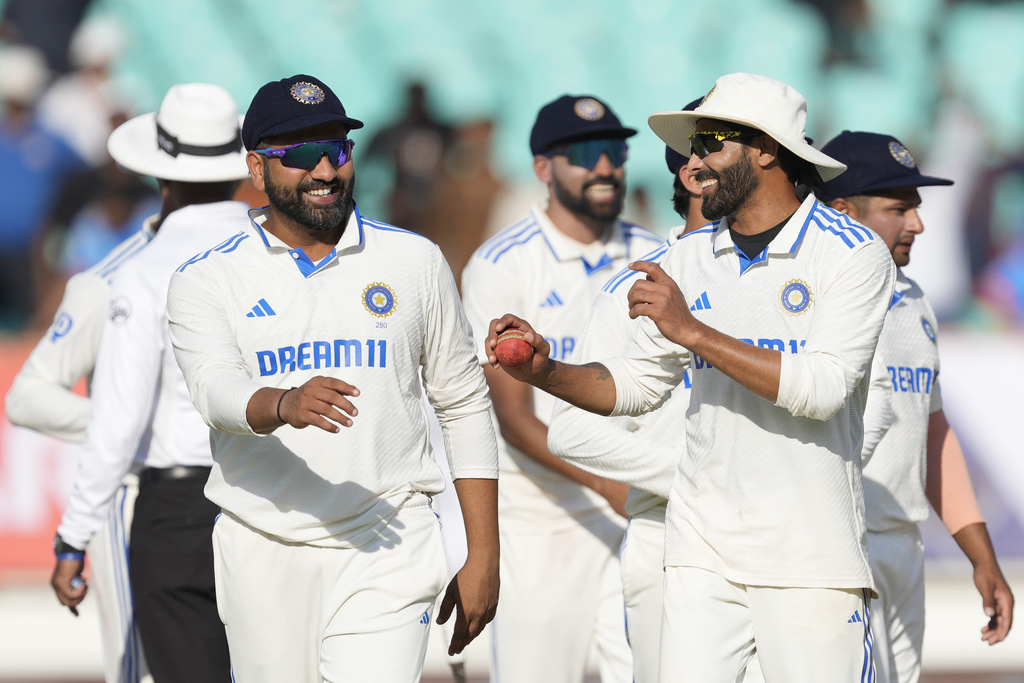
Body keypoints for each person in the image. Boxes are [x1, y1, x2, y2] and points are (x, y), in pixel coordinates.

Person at [484, 72, 897, 683]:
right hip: (701, 551)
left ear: (765, 148)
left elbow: (825, 388)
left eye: (711, 144)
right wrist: (547, 369)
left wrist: (694, 332)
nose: (695, 163)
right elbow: (636, 385)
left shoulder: (852, 252)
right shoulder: (688, 258)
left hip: (809, 554)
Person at [164, 74, 500, 683]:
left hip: (390, 536)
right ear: (256, 169)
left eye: (337, 151)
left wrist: (483, 552)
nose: (324, 170)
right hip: (264, 540)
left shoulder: (414, 261)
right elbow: (214, 391)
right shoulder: (207, 278)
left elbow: (464, 403)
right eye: (299, 155)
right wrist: (283, 402)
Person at [49, 82, 251, 683]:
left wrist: (73, 536)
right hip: (282, 495)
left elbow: (117, 421)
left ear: (160, 177)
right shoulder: (280, 251)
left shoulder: (141, 273)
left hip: (181, 509)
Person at [461, 94, 662, 683]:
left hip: (639, 512)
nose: (605, 167)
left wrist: (634, 486)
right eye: (585, 154)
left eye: (615, 151)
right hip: (543, 521)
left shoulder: (655, 254)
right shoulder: (503, 265)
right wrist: (607, 483)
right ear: (543, 169)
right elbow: (513, 419)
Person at [820, 130, 1015, 682]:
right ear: (842, 212)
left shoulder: (914, 301)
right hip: (837, 553)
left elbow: (931, 431)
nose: (917, 224)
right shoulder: (810, 302)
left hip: (903, 549)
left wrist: (981, 555)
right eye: (898, 208)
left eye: (917, 208)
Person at [544, 98, 712, 683]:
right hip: (668, 539)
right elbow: (569, 428)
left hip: (771, 540)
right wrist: (687, 481)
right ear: (695, 174)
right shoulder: (638, 286)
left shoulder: (788, 277)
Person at [5, 155, 156, 683]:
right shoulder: (107, 274)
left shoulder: (243, 262)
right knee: (143, 666)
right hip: (140, 495)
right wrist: (140, 428)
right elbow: (26, 397)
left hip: (234, 498)